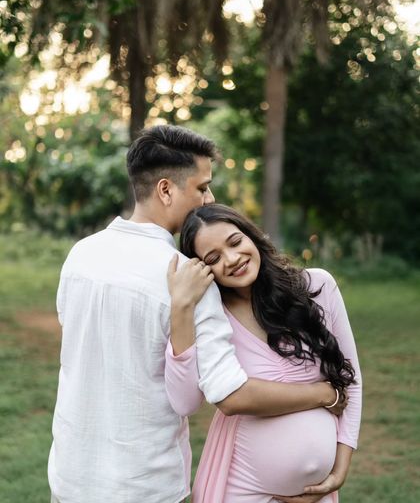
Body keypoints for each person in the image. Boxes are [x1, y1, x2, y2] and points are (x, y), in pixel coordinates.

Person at [48, 125, 344, 503]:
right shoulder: (189, 278)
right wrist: (323, 394)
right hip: (144, 485)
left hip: (70, 477)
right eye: (202, 187)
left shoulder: (81, 255)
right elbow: (214, 394)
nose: (210, 197)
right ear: (166, 190)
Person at [166, 203, 362, 503]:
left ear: (251, 236)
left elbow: (351, 380)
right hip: (239, 483)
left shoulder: (318, 287)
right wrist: (181, 306)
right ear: (203, 269)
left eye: (235, 242)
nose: (232, 260)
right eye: (214, 258)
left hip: (317, 492)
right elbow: (184, 400)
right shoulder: (212, 317)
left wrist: (339, 469)